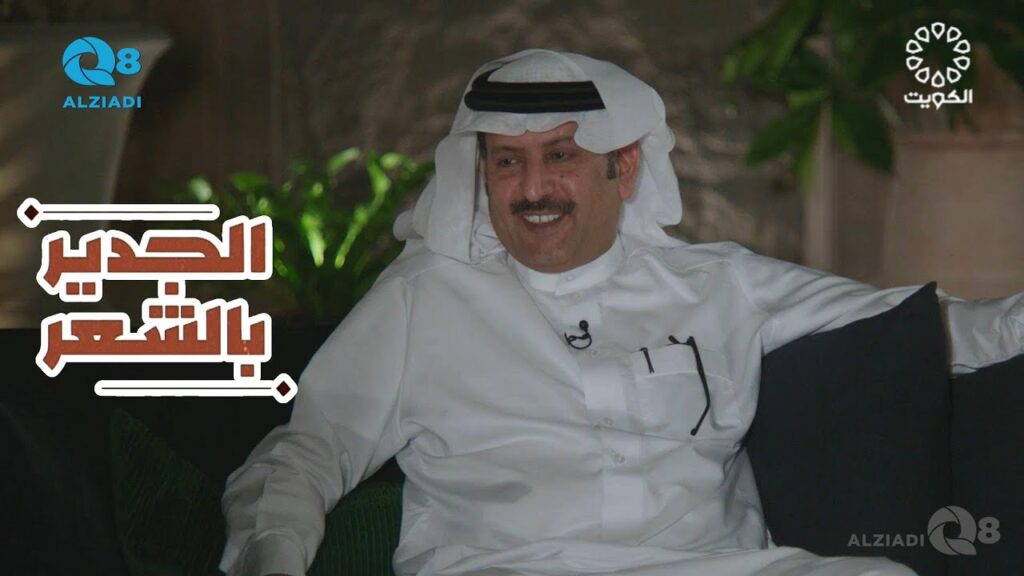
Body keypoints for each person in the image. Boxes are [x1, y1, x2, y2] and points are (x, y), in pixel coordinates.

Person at [219, 49, 1024, 576]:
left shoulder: (718, 284)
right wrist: (272, 555)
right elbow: (308, 449)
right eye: (508, 162)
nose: (533, 188)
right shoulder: (422, 297)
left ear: (626, 168)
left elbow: (922, 328)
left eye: (561, 156)